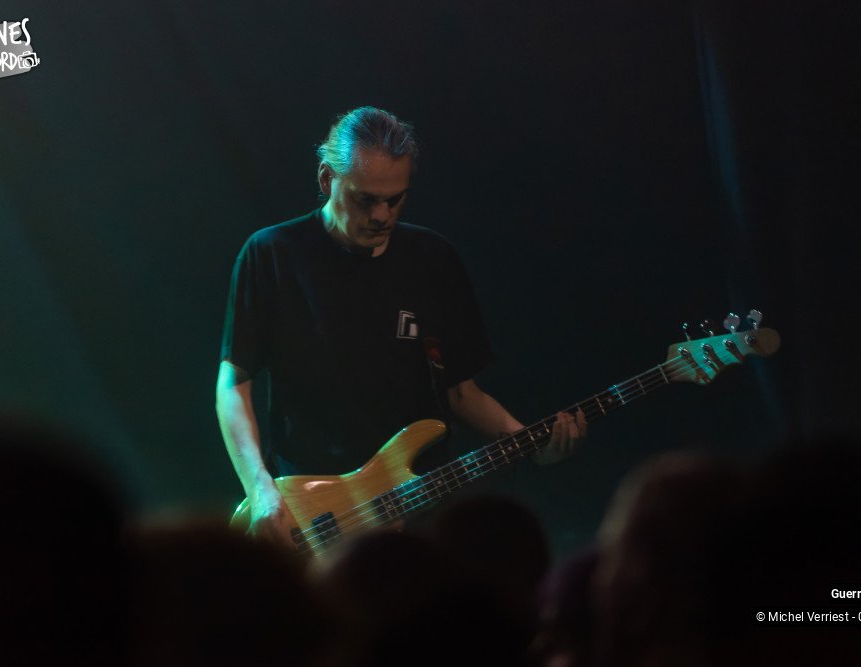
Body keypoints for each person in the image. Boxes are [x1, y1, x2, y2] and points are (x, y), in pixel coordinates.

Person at [215, 106, 586, 548]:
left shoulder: (433, 258)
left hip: (420, 508)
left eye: (395, 199)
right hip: (318, 510)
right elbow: (233, 386)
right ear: (326, 179)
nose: (381, 215)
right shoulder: (272, 254)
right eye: (365, 199)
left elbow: (461, 392)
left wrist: (532, 443)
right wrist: (260, 489)